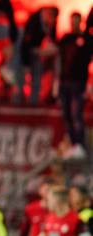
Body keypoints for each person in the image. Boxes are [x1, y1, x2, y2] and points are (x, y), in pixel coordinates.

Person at [57, 12, 91, 160]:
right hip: (64, 81)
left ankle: (80, 145)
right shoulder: (65, 39)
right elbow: (59, 59)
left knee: (76, 113)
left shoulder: (87, 39)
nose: (74, 24)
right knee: (67, 115)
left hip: (78, 82)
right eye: (72, 21)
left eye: (76, 21)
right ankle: (73, 144)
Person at [19, 7, 58, 105]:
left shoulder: (51, 21)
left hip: (37, 51)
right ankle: (19, 101)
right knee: (22, 78)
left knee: (37, 76)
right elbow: (26, 42)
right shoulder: (34, 20)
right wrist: (26, 63)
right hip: (26, 51)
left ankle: (33, 101)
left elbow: (53, 38)